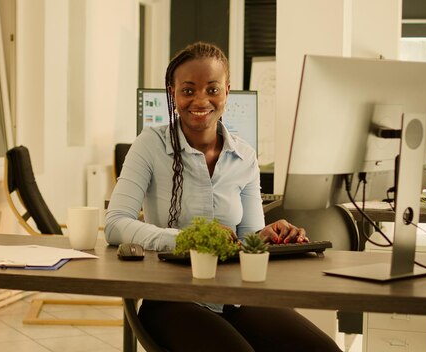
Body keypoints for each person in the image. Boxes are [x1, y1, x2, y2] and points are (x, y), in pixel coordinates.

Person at [105, 42, 342, 352]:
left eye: (212, 89)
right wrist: (189, 238)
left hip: (236, 296)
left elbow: (248, 239)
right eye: (188, 91)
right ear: (173, 94)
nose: (200, 100)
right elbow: (115, 224)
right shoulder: (150, 145)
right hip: (171, 298)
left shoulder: (244, 156)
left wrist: (268, 236)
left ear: (227, 92)